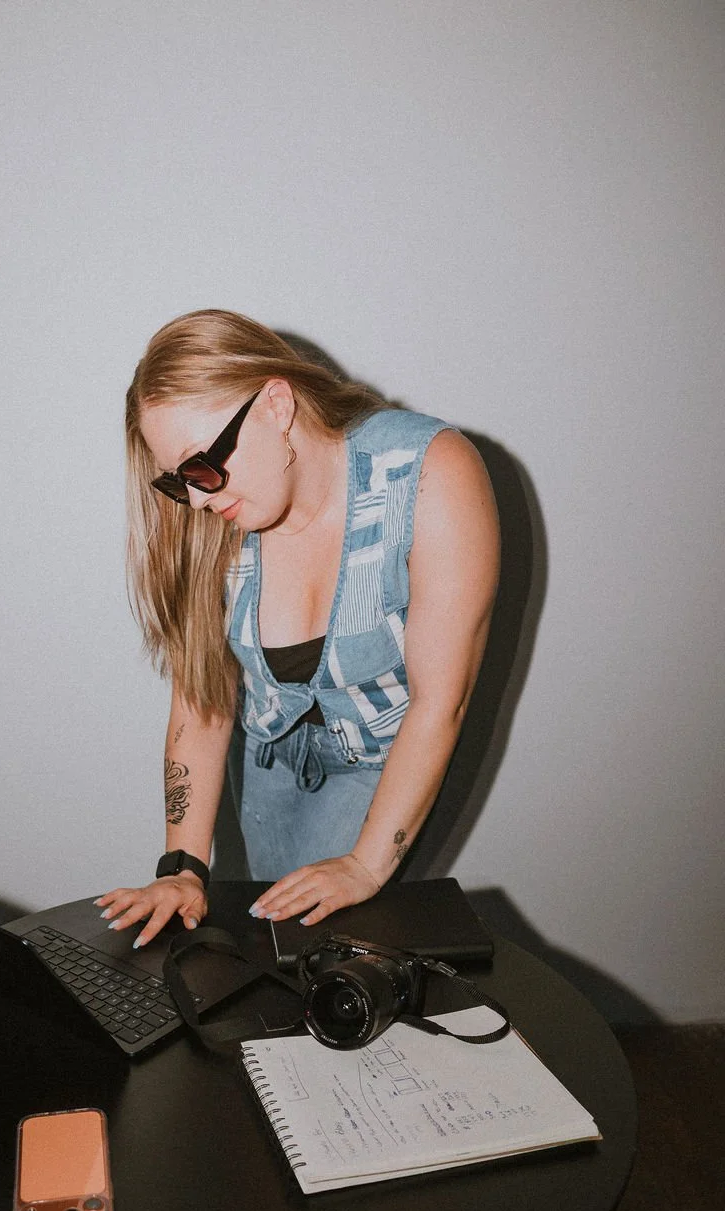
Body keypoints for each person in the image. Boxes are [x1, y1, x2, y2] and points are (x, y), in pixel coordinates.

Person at [97, 309, 499, 948]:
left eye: (201, 467)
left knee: (351, 964)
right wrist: (182, 868)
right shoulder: (214, 514)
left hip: (393, 762)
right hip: (268, 770)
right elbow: (201, 704)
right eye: (180, 481)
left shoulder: (429, 474)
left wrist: (367, 865)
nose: (197, 500)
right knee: (275, 959)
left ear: (276, 404)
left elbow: (439, 702)